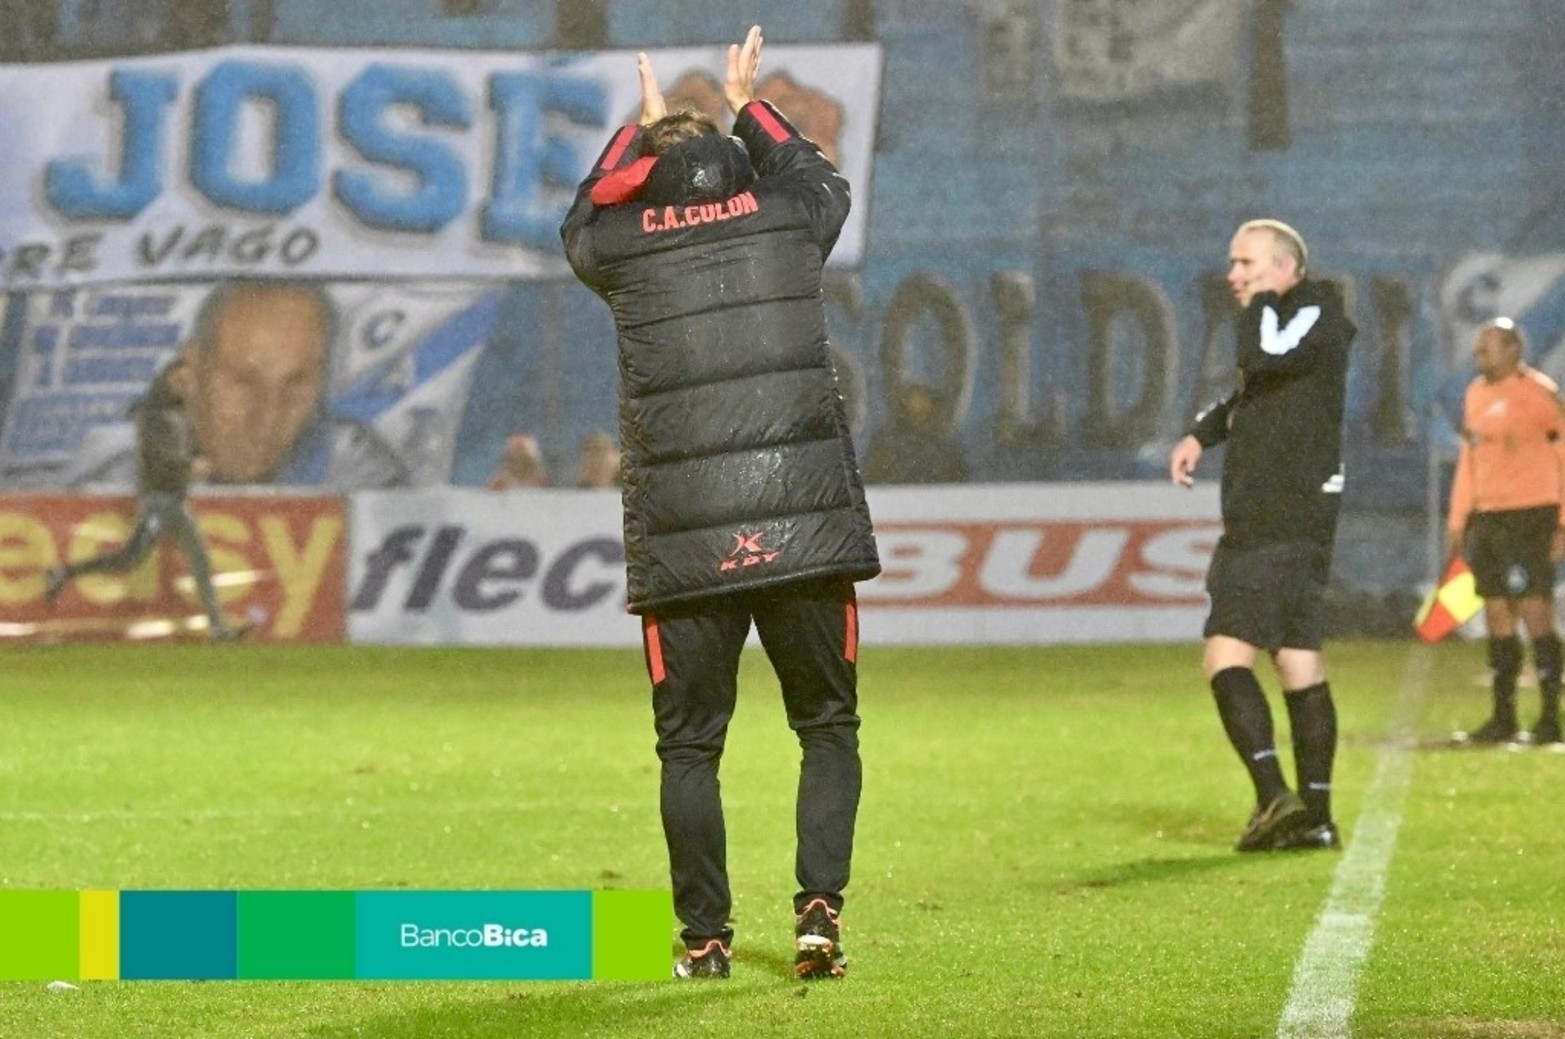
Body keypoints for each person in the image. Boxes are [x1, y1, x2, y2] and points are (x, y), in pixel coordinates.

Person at [561, 26, 881, 980]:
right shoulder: (784, 218)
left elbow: (580, 221)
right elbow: (824, 181)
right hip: (805, 530)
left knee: (689, 749)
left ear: (649, 172)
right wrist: (750, 107)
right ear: (734, 160)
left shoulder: (624, 244)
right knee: (826, 728)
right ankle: (818, 913)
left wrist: (637, 129)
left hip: (685, 548)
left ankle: (705, 939)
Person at [1168, 219, 1356, 852]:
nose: (1233, 275)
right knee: (1298, 657)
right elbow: (1256, 390)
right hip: (1298, 518)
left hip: (1275, 515)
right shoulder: (1295, 322)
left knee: (1225, 655)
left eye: (1245, 263)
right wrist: (1201, 434)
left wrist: (1262, 303)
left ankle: (1274, 797)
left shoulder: (1311, 310)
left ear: (1285, 267)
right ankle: (1317, 816)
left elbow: (1262, 356)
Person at [43, 358, 249, 641]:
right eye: (180, 380)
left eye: (187, 381)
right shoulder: (154, 414)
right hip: (159, 500)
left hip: (175, 500)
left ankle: (218, 628)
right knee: (130, 559)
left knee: (198, 560)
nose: (185, 386)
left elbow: (187, 449)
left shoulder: (180, 413)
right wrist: (190, 466)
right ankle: (63, 573)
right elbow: (159, 457)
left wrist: (199, 457)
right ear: (167, 379)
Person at [1445, 317, 1565, 746]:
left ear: (1513, 350)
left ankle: (1550, 719)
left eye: (1487, 347)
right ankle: (1503, 718)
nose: (1478, 355)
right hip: (1488, 517)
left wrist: (1562, 522)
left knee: (1534, 609)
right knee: (1496, 613)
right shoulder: (1475, 394)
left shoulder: (1540, 395)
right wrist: (1458, 518)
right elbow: (1470, 458)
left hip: (1530, 515)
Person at [180, 280, 332, 485]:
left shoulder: (352, 465)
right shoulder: (138, 470)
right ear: (191, 372)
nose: (268, 419)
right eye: (244, 382)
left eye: (295, 386)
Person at [861, 383, 971, 484]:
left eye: (923, 399)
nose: (917, 405)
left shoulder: (944, 443)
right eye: (912, 399)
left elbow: (959, 482)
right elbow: (872, 478)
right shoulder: (887, 441)